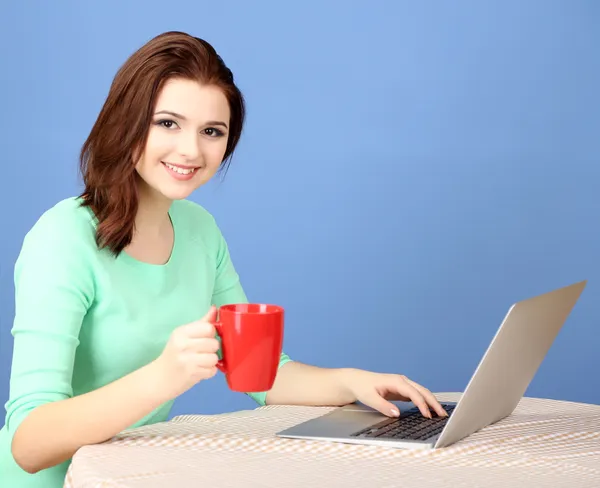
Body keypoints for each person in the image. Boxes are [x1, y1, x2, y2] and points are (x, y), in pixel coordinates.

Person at [0, 31, 447, 487]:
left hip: (132, 474)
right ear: (127, 122)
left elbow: (260, 374)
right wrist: (163, 376)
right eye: (167, 123)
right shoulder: (62, 239)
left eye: (212, 131)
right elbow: (29, 442)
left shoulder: (199, 230)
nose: (191, 151)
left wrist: (353, 382)